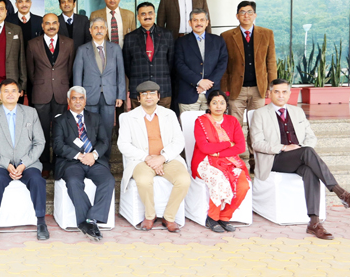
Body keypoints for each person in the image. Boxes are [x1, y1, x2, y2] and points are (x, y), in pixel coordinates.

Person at [250, 79, 350, 240]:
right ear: (270, 93)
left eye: (284, 92)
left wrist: (300, 148)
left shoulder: (297, 112)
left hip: (299, 157)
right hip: (275, 159)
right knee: (307, 152)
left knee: (310, 169)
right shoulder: (260, 114)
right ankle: (341, 193)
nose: (281, 95)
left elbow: (311, 137)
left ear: (289, 93)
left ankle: (314, 223)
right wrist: (284, 147)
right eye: (277, 92)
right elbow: (257, 143)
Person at [117, 81, 190, 232]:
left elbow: (179, 141)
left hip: (168, 158)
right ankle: (150, 216)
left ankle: (169, 217)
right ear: (139, 98)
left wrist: (162, 158)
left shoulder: (169, 115)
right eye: (144, 94)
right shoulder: (129, 117)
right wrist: (147, 157)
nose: (148, 97)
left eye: (152, 93)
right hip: (142, 160)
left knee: (183, 180)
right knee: (143, 180)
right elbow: (123, 144)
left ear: (158, 96)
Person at [0, 79, 48, 242]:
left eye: (13, 91)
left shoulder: (30, 113)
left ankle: (41, 222)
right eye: (6, 91)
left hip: (28, 162)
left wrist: (24, 163)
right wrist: (7, 164)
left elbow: (40, 142)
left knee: (37, 180)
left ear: (20, 94)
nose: (10, 94)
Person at [53, 86, 112, 240]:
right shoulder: (60, 120)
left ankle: (90, 219)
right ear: (68, 101)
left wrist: (94, 154)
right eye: (74, 98)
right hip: (71, 162)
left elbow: (104, 141)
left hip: (94, 161)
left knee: (108, 180)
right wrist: (79, 155)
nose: (77, 101)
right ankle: (89, 222)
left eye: (81, 98)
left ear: (85, 100)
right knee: (73, 182)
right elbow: (58, 146)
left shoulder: (96, 118)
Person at [191, 91, 249, 233]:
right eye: (214, 102)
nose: (218, 106)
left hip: (229, 161)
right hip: (204, 161)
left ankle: (225, 217)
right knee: (219, 180)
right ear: (209, 105)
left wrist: (218, 152)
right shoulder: (201, 122)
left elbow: (241, 147)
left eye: (222, 102)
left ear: (226, 105)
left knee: (243, 185)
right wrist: (228, 144)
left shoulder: (232, 121)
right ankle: (212, 217)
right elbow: (204, 147)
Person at [27, 13, 74, 178]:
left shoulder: (69, 43)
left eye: (54, 23)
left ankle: (59, 163)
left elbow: (69, 70)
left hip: (61, 93)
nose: (51, 26)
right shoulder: (33, 44)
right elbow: (30, 71)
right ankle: (45, 164)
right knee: (42, 132)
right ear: (42, 25)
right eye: (48, 23)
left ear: (59, 25)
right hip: (41, 93)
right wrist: (42, 83)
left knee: (60, 131)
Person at [73, 17, 125, 159]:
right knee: (89, 129)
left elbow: (121, 73)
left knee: (107, 130)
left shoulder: (115, 49)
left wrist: (120, 95)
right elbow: (77, 75)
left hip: (109, 96)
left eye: (102, 27)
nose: (99, 30)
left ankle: (104, 159)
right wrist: (78, 97)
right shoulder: (83, 50)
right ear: (90, 31)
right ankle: (90, 157)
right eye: (95, 27)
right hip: (89, 97)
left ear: (106, 30)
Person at [220, 1, 277, 125]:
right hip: (236, 89)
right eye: (242, 12)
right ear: (237, 16)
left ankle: (254, 146)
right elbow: (223, 65)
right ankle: (238, 145)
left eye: (250, 12)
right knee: (235, 125)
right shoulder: (226, 36)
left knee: (257, 126)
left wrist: (271, 86)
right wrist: (224, 88)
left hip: (258, 89)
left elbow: (271, 62)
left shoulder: (267, 34)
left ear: (255, 15)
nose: (246, 15)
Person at [174, 8, 228, 114]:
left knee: (211, 128)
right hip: (189, 94)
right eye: (195, 20)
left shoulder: (218, 41)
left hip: (212, 94)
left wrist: (208, 84)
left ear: (207, 22)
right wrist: (199, 82)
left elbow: (222, 63)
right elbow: (179, 65)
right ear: (190, 23)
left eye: (202, 20)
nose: (199, 23)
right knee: (189, 128)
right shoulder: (181, 42)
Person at [123, 2, 175, 109]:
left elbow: (171, 62)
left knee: (162, 123)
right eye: (143, 14)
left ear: (154, 15)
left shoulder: (167, 35)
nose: (147, 16)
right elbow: (127, 65)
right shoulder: (130, 38)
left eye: (150, 13)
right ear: (138, 17)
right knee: (139, 123)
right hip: (139, 90)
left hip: (162, 90)